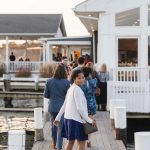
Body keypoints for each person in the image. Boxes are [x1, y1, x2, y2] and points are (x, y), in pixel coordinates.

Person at [54, 70, 96, 150]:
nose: (82, 80)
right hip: (76, 121)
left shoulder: (71, 88)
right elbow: (79, 108)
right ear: (74, 79)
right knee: (81, 143)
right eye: (79, 78)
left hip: (69, 119)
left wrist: (58, 118)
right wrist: (89, 120)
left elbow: (64, 105)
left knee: (71, 142)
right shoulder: (77, 90)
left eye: (83, 78)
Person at [44, 65, 70, 150]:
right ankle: (59, 147)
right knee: (61, 128)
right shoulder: (66, 82)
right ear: (64, 72)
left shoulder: (49, 81)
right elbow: (68, 96)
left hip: (52, 107)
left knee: (53, 127)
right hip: (62, 108)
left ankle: (54, 144)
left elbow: (46, 95)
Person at [81, 67, 97, 147]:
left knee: (83, 121)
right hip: (92, 103)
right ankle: (89, 140)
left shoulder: (81, 83)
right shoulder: (93, 81)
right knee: (90, 121)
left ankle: (83, 139)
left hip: (83, 104)